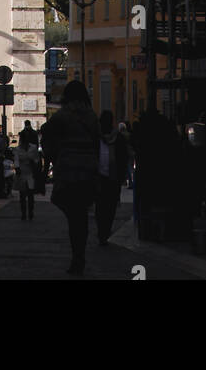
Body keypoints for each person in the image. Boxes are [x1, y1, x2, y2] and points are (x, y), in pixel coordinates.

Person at [42, 80, 99, 275]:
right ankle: (79, 255)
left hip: (68, 172)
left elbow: (47, 135)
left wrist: (50, 163)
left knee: (73, 215)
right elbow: (98, 143)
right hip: (88, 172)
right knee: (81, 216)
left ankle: (77, 257)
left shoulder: (62, 116)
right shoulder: (91, 116)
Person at [96, 110, 130, 245]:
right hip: (106, 177)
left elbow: (123, 157)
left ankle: (103, 232)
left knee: (105, 207)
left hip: (108, 177)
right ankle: (103, 232)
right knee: (106, 207)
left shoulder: (99, 138)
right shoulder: (114, 138)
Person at [13, 131, 40, 221]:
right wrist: (17, 169)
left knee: (30, 194)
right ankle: (23, 213)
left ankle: (30, 212)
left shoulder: (33, 148)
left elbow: (37, 159)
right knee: (22, 195)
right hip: (22, 173)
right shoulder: (17, 149)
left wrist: (34, 162)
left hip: (30, 172)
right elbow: (16, 160)